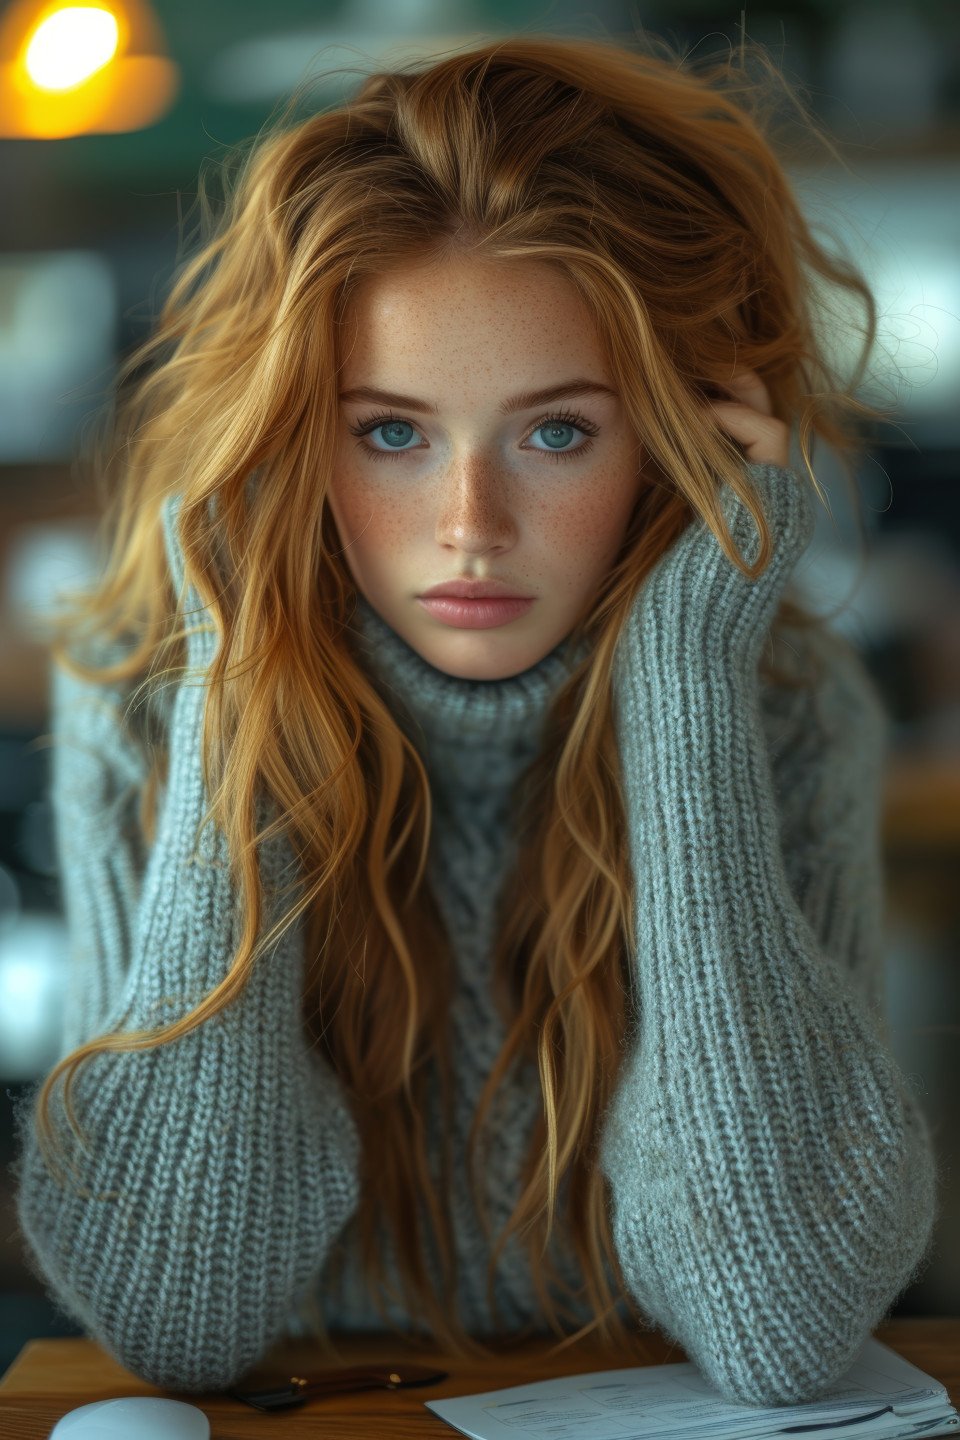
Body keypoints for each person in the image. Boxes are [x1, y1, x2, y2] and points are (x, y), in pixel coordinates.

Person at [10, 31, 939, 1405]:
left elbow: (785, 1327)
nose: (469, 531)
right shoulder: (153, 704)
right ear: (287, 436)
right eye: (390, 431)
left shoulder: (780, 706)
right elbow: (174, 1321)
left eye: (558, 432)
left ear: (683, 435)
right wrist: (240, 692)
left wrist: (685, 688)